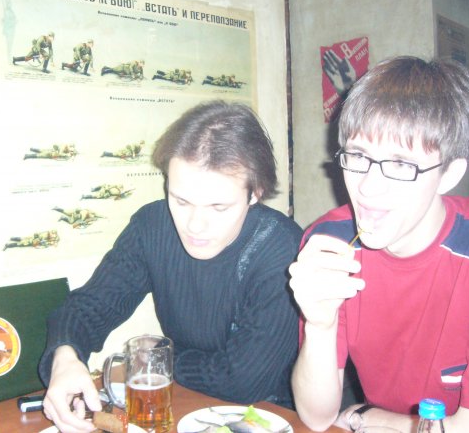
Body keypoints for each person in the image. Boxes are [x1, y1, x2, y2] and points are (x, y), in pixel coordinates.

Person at [39, 100, 303, 432]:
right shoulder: (152, 227)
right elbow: (90, 306)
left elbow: (244, 380)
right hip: (188, 405)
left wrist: (161, 359)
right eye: (181, 200)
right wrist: (65, 357)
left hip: (273, 415)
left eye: (218, 207)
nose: (195, 225)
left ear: (255, 193)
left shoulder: (282, 248)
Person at [289, 56, 469, 432]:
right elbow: (317, 417)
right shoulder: (330, 242)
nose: (368, 188)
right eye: (358, 156)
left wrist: (374, 417)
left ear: (449, 174)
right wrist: (320, 325)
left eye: (401, 165)